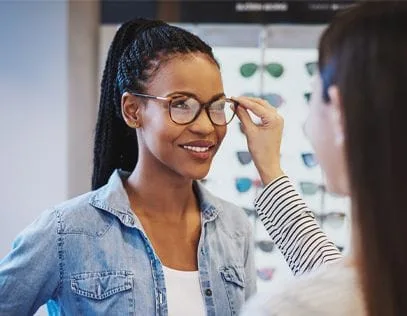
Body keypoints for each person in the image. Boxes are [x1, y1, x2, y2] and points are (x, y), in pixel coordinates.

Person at [0, 18, 339, 316]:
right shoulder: (66, 231)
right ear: (133, 111)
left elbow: (334, 285)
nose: (206, 126)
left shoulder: (234, 227)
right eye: (181, 105)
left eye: (216, 106)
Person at [239, 2, 407, 315]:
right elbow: (337, 270)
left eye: (312, 94)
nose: (305, 124)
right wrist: (271, 171)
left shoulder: (292, 309)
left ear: (339, 111)